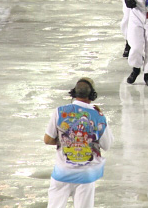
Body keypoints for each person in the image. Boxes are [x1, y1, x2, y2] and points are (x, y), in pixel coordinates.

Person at [44, 77, 113, 208]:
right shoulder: (98, 116)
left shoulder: (59, 112)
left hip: (62, 172)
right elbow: (107, 145)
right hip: (85, 175)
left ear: (74, 93)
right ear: (93, 95)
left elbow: (47, 139)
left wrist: (67, 139)